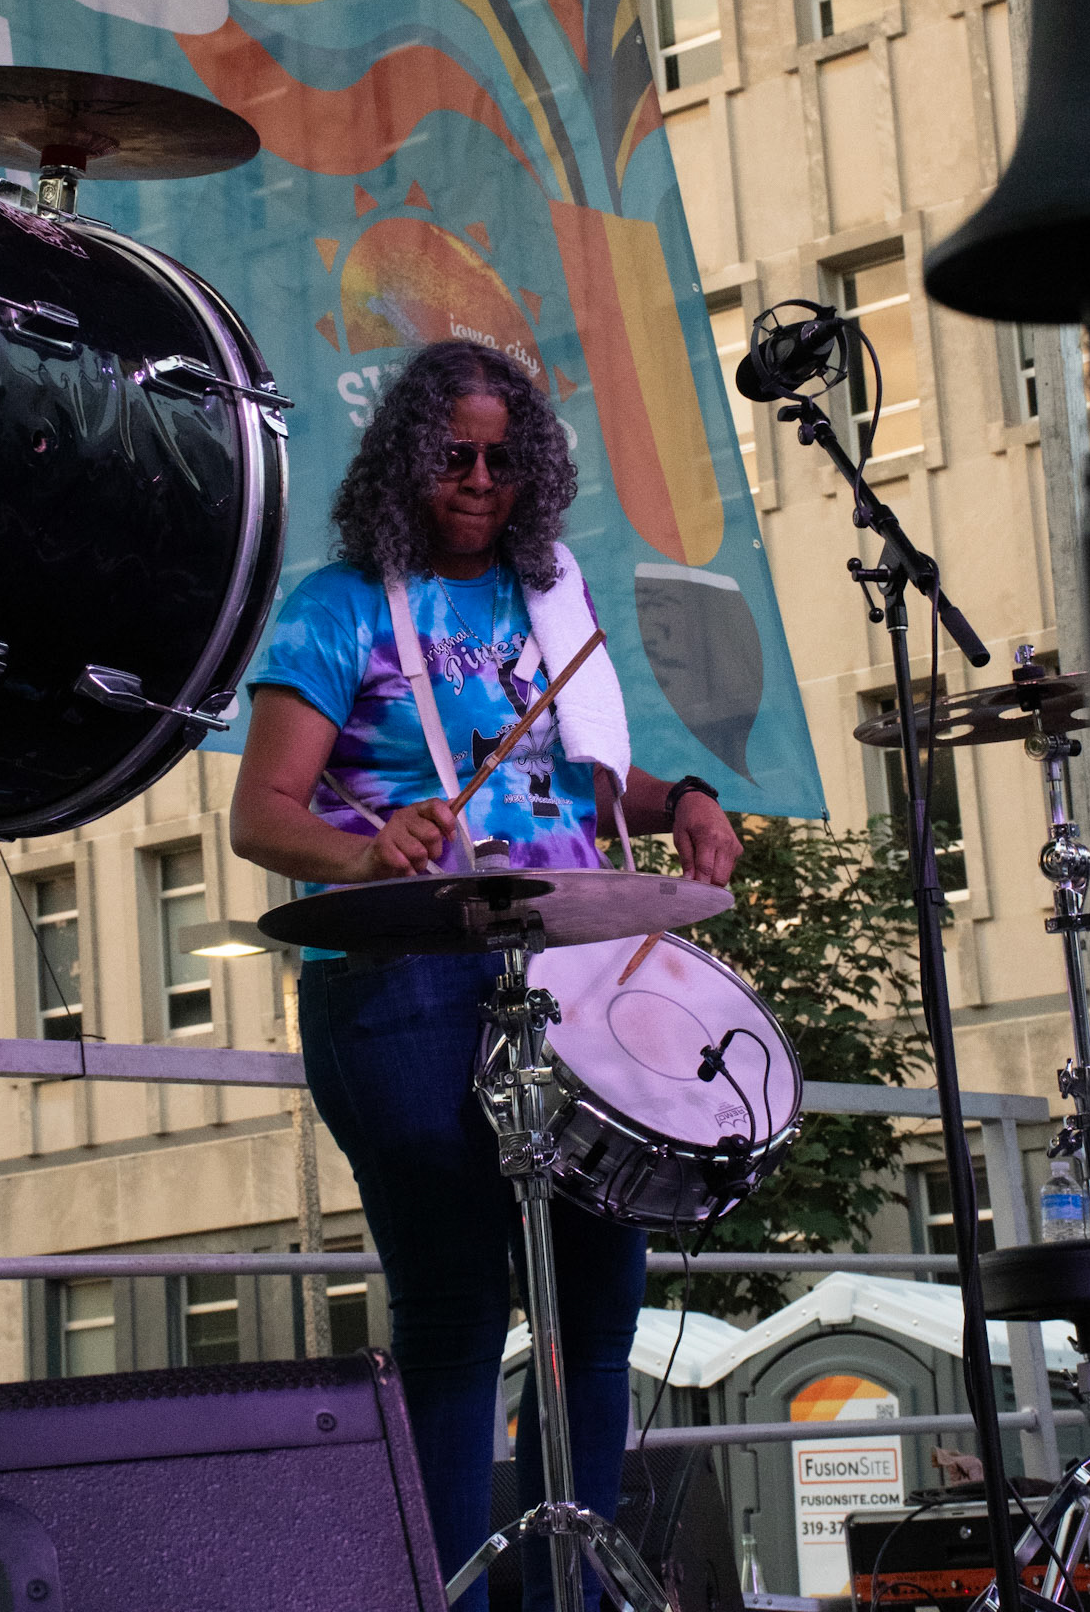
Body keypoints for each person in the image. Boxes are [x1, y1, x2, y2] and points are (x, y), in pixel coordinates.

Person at [231, 340, 742, 1611]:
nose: (476, 478)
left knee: (596, 1311)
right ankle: (449, 1593)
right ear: (410, 456)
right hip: (401, 985)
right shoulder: (338, 604)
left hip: (564, 986)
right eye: (452, 453)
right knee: (455, 1313)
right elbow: (261, 813)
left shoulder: (547, 602)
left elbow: (581, 777)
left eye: (503, 459)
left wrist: (679, 793)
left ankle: (576, 1589)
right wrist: (366, 846)